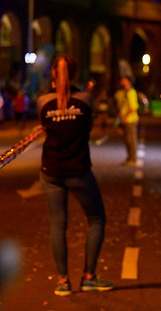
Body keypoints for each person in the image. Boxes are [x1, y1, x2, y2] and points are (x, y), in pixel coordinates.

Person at [38, 56, 113, 296]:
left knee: (58, 225)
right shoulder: (85, 100)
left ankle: (62, 281)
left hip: (51, 171)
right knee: (97, 219)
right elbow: (87, 129)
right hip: (78, 170)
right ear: (74, 75)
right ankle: (88, 277)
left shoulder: (42, 102)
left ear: (53, 74)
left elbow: (45, 127)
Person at [114, 76, 139, 165]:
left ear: (129, 82)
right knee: (127, 140)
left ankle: (132, 159)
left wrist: (125, 117)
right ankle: (129, 158)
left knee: (130, 140)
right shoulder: (124, 92)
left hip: (130, 119)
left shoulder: (131, 92)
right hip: (125, 119)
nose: (122, 82)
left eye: (124, 80)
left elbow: (133, 107)